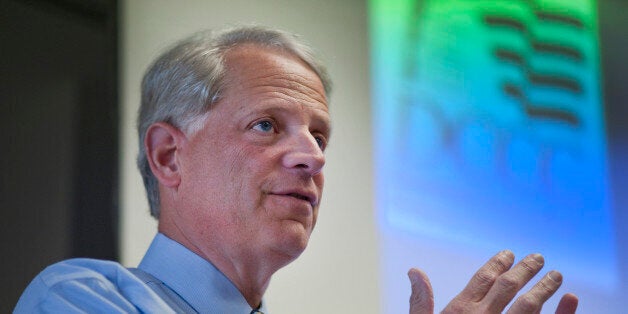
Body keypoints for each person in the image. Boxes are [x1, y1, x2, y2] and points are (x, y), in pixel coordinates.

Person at [14, 25, 578, 313]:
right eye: (266, 125)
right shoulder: (79, 297)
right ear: (169, 155)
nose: (313, 155)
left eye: (320, 134)